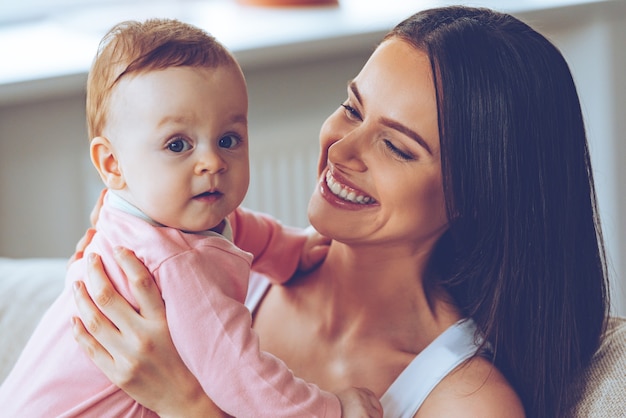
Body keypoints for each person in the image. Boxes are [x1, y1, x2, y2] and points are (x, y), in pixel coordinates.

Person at [69, 5, 610, 418]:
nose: (341, 148)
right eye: (353, 108)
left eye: (396, 146)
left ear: (476, 196)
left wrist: (188, 404)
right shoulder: (234, 257)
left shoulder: (465, 400)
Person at [0, 18, 383, 418]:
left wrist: (287, 248)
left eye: (228, 140)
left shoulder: (133, 211)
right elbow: (241, 376)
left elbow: (237, 225)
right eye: (178, 144)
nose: (212, 161)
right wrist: (331, 409)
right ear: (112, 163)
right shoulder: (182, 267)